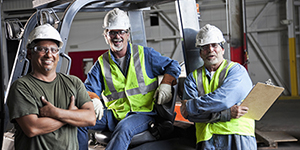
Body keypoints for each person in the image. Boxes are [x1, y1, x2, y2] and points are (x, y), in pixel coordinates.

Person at [77, 8, 181, 150]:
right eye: (112, 32)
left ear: (128, 34)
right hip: (114, 114)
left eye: (121, 32)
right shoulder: (101, 63)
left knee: (124, 128)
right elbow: (88, 89)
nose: (117, 36)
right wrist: (94, 99)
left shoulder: (145, 55)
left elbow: (173, 65)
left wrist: (166, 83)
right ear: (105, 35)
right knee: (78, 120)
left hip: (143, 114)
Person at [7, 23, 96, 150]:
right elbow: (33, 128)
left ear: (58, 55)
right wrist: (72, 115)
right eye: (42, 49)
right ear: (30, 53)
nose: (49, 55)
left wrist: (56, 113)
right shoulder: (21, 87)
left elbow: (91, 118)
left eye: (54, 50)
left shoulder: (74, 82)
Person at [180, 24, 257, 150]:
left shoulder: (237, 71)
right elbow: (190, 115)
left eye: (214, 45)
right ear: (200, 53)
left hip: (237, 135)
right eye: (205, 47)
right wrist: (227, 113)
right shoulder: (192, 78)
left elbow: (224, 99)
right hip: (206, 138)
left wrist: (191, 105)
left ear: (222, 49)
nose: (210, 50)